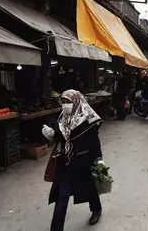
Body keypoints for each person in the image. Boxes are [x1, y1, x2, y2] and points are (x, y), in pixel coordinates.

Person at [42, 90, 104, 231]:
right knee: (61, 198)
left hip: (84, 163)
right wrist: (51, 136)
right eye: (63, 102)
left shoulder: (87, 120)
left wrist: (99, 159)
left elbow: (95, 143)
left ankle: (96, 209)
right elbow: (61, 138)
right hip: (65, 164)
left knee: (90, 189)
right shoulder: (62, 119)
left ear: (76, 102)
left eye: (68, 102)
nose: (65, 105)